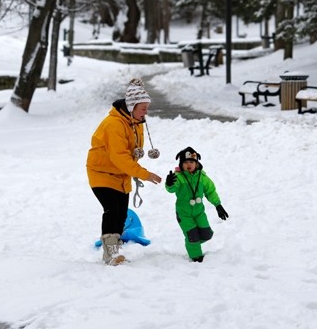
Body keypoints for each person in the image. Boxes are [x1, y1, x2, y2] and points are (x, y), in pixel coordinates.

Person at [87, 78, 162, 266]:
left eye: (147, 107)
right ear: (131, 107)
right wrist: (144, 173)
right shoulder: (114, 125)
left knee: (121, 214)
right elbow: (119, 157)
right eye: (143, 108)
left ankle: (115, 248)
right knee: (112, 210)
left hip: (121, 174)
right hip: (102, 173)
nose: (146, 112)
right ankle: (110, 252)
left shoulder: (135, 121)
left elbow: (132, 150)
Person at [165, 146, 228, 262]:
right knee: (192, 236)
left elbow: (210, 191)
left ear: (196, 163)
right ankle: (196, 257)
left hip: (199, 212)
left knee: (206, 234)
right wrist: (169, 184)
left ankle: (191, 241)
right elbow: (172, 188)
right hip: (184, 213)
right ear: (181, 164)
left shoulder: (202, 177)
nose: (189, 165)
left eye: (192, 162)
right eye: (186, 162)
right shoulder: (178, 177)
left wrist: (217, 205)